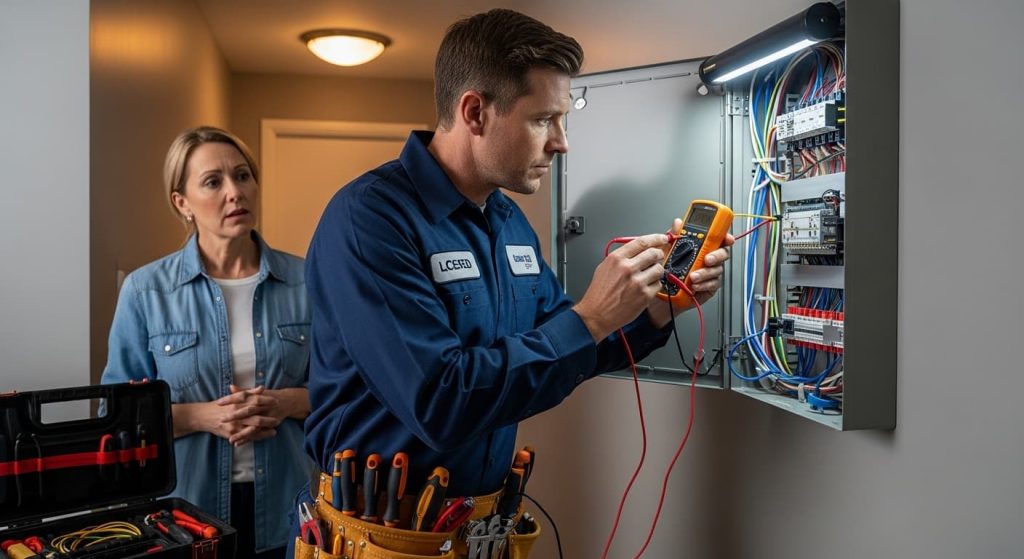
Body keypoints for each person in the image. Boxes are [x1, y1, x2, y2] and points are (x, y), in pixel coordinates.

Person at [295, 9, 732, 558]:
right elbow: (440, 402)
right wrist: (591, 315)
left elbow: (569, 347)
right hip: (382, 537)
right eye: (542, 120)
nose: (561, 143)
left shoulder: (508, 222)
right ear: (475, 112)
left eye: (563, 120)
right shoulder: (369, 220)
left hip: (481, 534)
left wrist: (657, 309)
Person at [101, 126, 312, 559]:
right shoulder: (146, 292)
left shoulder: (308, 282)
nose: (235, 192)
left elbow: (348, 392)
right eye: (213, 182)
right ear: (182, 203)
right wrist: (201, 417)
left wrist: (288, 403)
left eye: (243, 176)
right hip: (186, 517)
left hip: (291, 510)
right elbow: (115, 419)